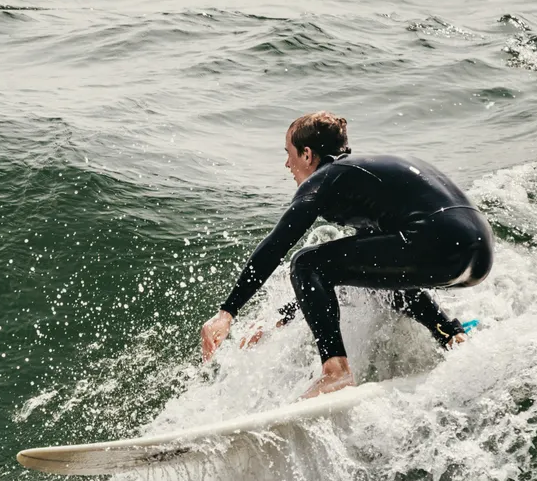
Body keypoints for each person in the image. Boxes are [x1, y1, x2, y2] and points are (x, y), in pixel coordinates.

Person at [200, 111, 493, 398]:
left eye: (289, 153)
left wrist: (228, 313)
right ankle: (451, 336)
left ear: (307, 154)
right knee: (372, 279)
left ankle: (336, 372)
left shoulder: (326, 178)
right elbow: (355, 271)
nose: (287, 163)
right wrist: (281, 318)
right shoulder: (365, 177)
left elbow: (278, 244)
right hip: (477, 250)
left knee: (305, 262)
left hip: (436, 241)